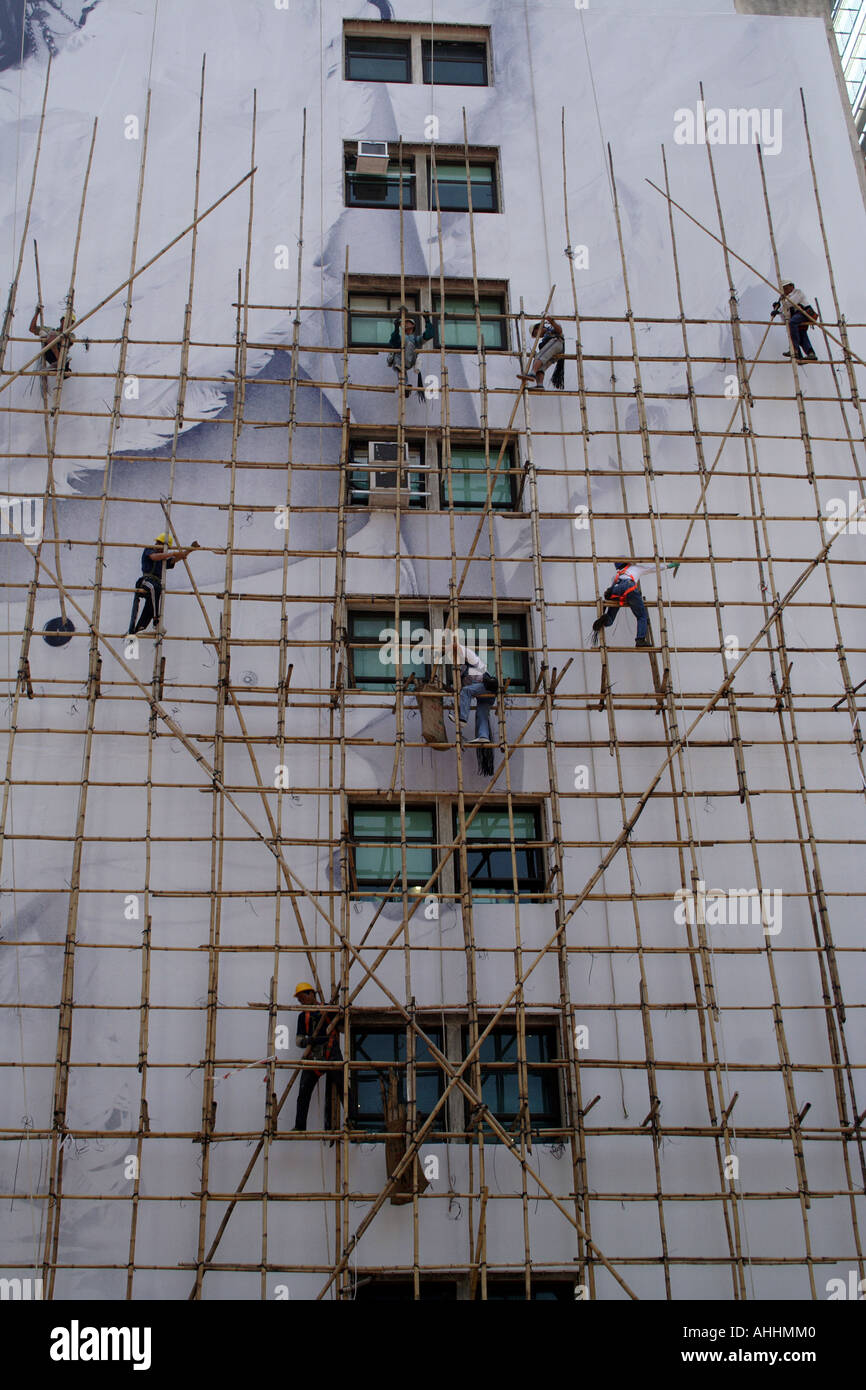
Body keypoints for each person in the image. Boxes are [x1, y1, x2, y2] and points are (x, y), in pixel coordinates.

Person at [591, 558, 679, 649]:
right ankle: (640, 640)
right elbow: (653, 568)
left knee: (611, 617)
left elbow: (611, 590)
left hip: (616, 591)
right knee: (641, 616)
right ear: (627, 562)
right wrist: (669, 566)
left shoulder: (616, 576)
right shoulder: (635, 568)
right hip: (629, 588)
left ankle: (606, 619)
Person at [293, 982, 343, 1133]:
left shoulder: (328, 1010)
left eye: (302, 998)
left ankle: (352, 1119)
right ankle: (300, 1126)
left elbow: (342, 1028)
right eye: (299, 1000)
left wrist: (342, 1014)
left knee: (343, 1088)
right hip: (313, 1054)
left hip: (331, 1051)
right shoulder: (303, 1017)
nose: (301, 1002)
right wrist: (308, 1041)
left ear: (311, 994)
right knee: (303, 1091)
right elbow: (298, 1040)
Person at [127, 533, 199, 635]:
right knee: (154, 588)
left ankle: (141, 627)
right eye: (160, 544)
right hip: (145, 581)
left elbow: (176, 558)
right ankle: (156, 622)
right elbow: (154, 557)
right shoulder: (150, 550)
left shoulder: (163, 560)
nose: (161, 548)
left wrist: (190, 549)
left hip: (156, 583)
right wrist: (171, 553)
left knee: (153, 600)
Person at [445, 631, 497, 744]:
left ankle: (462, 719)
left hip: (487, 685)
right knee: (481, 713)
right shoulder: (461, 670)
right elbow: (461, 691)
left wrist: (444, 647)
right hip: (483, 693)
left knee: (466, 690)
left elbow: (457, 646)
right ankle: (483, 736)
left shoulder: (470, 656)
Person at [386, 308, 436, 399]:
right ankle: (405, 385)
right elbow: (393, 341)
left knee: (408, 343)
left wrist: (427, 320)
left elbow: (429, 334)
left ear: (413, 326)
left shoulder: (416, 339)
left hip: (408, 360)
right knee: (397, 349)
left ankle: (402, 374)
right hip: (398, 360)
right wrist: (396, 328)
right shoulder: (400, 337)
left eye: (408, 323)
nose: (406, 324)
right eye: (405, 323)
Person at [771, 281, 817, 363]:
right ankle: (810, 353)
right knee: (800, 333)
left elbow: (791, 303)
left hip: (804, 313)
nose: (784, 290)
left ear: (792, 286)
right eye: (783, 288)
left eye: (785, 287)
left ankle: (794, 349)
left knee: (792, 323)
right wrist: (778, 311)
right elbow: (786, 318)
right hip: (796, 318)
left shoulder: (798, 292)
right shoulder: (785, 300)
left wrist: (780, 307)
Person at [29, 306, 75, 385]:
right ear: (61, 321)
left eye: (70, 322)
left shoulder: (71, 335)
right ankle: (58, 364)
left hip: (62, 356)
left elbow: (69, 341)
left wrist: (51, 336)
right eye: (66, 320)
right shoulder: (51, 330)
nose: (67, 323)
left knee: (52, 336)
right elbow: (32, 329)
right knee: (49, 334)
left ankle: (60, 363)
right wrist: (37, 313)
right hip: (50, 355)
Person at [518, 315, 565, 389]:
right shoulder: (545, 339)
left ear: (538, 328)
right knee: (541, 366)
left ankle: (532, 372)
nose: (537, 336)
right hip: (555, 349)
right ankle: (540, 385)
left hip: (556, 342)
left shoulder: (550, 330)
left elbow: (559, 330)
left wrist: (551, 321)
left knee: (539, 356)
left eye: (536, 333)